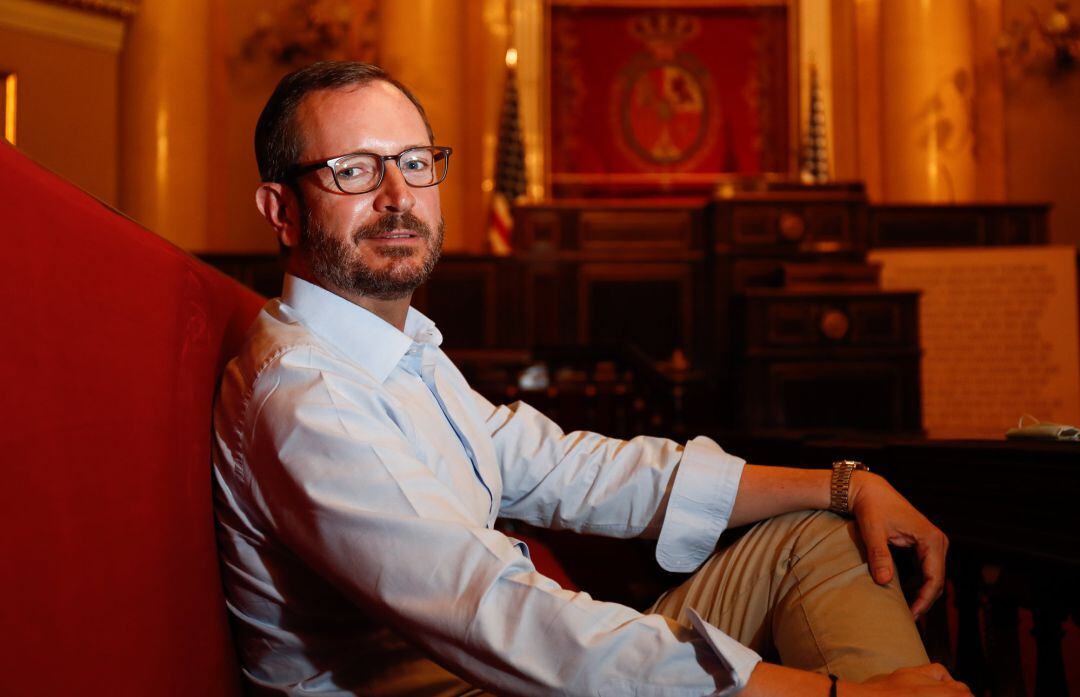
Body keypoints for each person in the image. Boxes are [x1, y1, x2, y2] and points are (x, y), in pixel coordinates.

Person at [212, 61, 971, 697]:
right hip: (471, 681)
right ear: (280, 209)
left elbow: (574, 469)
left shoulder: (397, 351)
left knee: (815, 533)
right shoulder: (308, 399)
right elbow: (499, 615)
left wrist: (842, 482)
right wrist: (836, 694)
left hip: (497, 668)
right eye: (353, 170)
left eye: (414, 162)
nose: (399, 196)